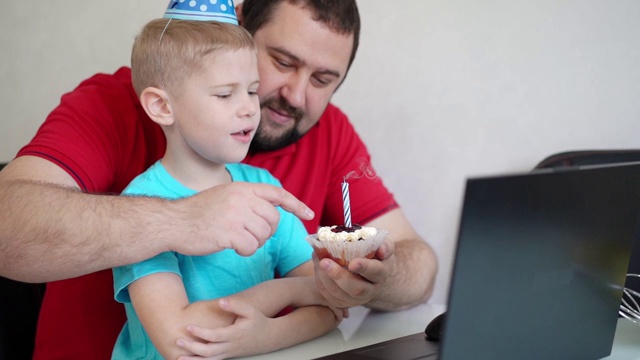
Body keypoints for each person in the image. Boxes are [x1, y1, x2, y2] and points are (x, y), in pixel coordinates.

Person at [0, 0, 438, 358]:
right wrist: (183, 222)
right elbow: (181, 338)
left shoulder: (282, 166)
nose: (294, 96)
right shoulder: (114, 112)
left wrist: (361, 280)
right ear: (242, 30)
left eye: (323, 79)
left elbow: (387, 278)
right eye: (282, 62)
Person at [110, 7, 342, 359]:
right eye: (224, 94)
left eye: (251, 91)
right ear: (161, 106)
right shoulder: (140, 208)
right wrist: (289, 292)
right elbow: (179, 343)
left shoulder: (263, 186)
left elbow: (331, 306)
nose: (250, 109)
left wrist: (265, 336)